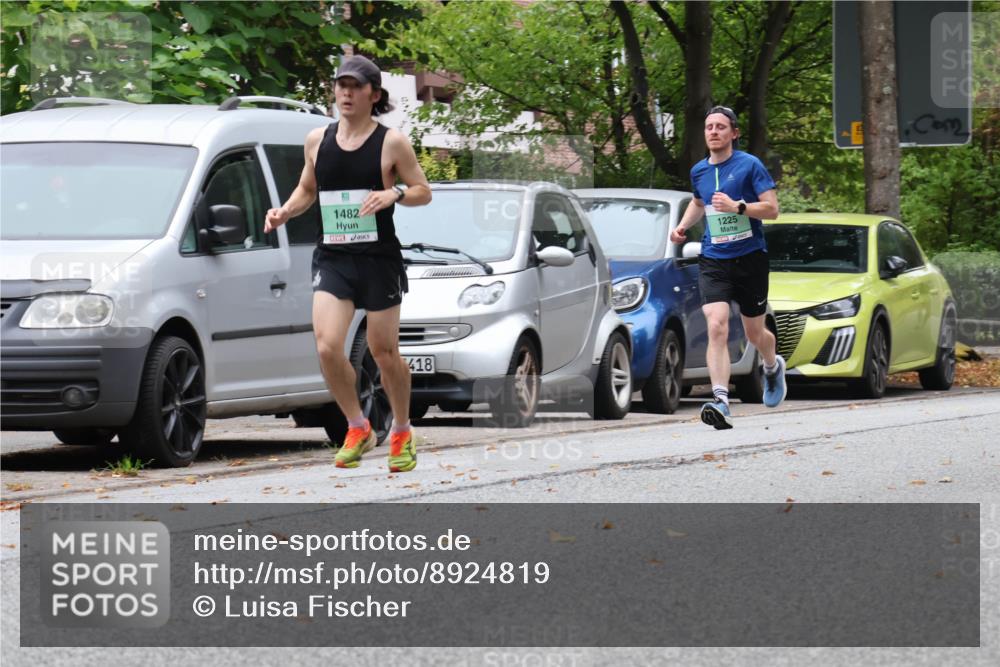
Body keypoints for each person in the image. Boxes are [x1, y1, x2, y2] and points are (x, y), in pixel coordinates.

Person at [264, 55, 431, 470]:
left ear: (374, 95)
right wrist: (285, 211)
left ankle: (402, 430)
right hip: (334, 256)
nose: (346, 93)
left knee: (384, 351)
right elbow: (307, 189)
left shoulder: (391, 142)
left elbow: (423, 190)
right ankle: (358, 426)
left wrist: (394, 194)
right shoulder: (317, 140)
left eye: (356, 87)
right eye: (341, 85)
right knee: (326, 345)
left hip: (378, 260)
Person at [669, 105, 786, 429]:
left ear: (733, 133)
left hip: (750, 259)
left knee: (754, 332)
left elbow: (773, 210)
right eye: (709, 127)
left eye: (721, 127)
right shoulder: (699, 172)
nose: (713, 132)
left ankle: (772, 365)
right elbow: (698, 202)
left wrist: (739, 207)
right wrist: (682, 227)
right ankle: (720, 400)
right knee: (716, 325)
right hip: (714, 258)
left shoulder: (750, 166)